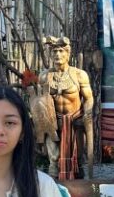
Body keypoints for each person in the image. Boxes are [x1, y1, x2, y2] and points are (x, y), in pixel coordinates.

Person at [34, 36, 94, 181]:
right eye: (54, 51)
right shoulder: (44, 76)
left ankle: (79, 189)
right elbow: (40, 100)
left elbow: (89, 98)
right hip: (53, 123)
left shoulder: (79, 75)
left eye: (61, 51)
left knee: (77, 159)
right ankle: (53, 188)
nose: (57, 55)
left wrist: (87, 111)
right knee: (53, 160)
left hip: (75, 122)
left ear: (68, 54)